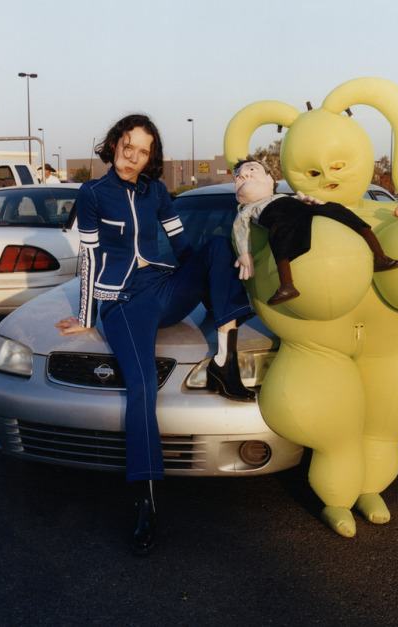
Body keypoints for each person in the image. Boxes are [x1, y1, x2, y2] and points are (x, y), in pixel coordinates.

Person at [56, 114, 254, 556]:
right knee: (143, 389)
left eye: (142, 151)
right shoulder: (92, 194)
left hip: (163, 287)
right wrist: (88, 314)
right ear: (115, 143)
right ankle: (145, 499)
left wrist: (208, 277)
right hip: (123, 301)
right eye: (128, 145)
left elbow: (183, 247)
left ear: (151, 157)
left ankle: (226, 362)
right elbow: (88, 259)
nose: (132, 156)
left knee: (218, 245)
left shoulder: (158, 192)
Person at [233, 157, 398, 306]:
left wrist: (308, 201)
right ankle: (286, 285)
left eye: (252, 169)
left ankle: (380, 257)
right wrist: (245, 253)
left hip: (300, 209)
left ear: (270, 179)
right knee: (279, 233)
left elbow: (296, 203)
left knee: (337, 209)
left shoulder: (283, 196)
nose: (243, 176)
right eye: (238, 177)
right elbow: (241, 230)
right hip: (278, 217)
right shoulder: (247, 210)